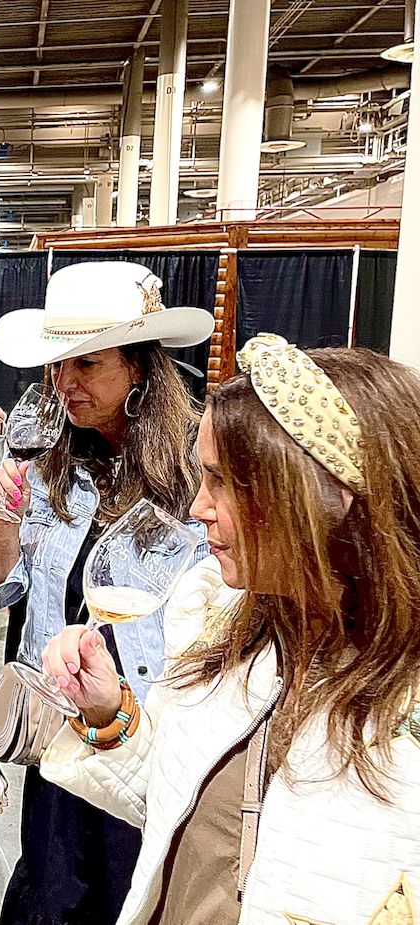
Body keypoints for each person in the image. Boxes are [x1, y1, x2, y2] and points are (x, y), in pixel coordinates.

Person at [40, 336, 420, 925]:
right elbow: (182, 806)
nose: (197, 507)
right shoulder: (218, 618)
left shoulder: (403, 719)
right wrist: (108, 715)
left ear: (327, 495)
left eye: (223, 482)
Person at [0, 261, 214, 925]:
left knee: (133, 896)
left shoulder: (198, 474)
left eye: (88, 364)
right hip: (63, 731)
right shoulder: (50, 457)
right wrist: (7, 518)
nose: (65, 384)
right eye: (58, 366)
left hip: (148, 736)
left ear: (139, 367)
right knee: (52, 894)